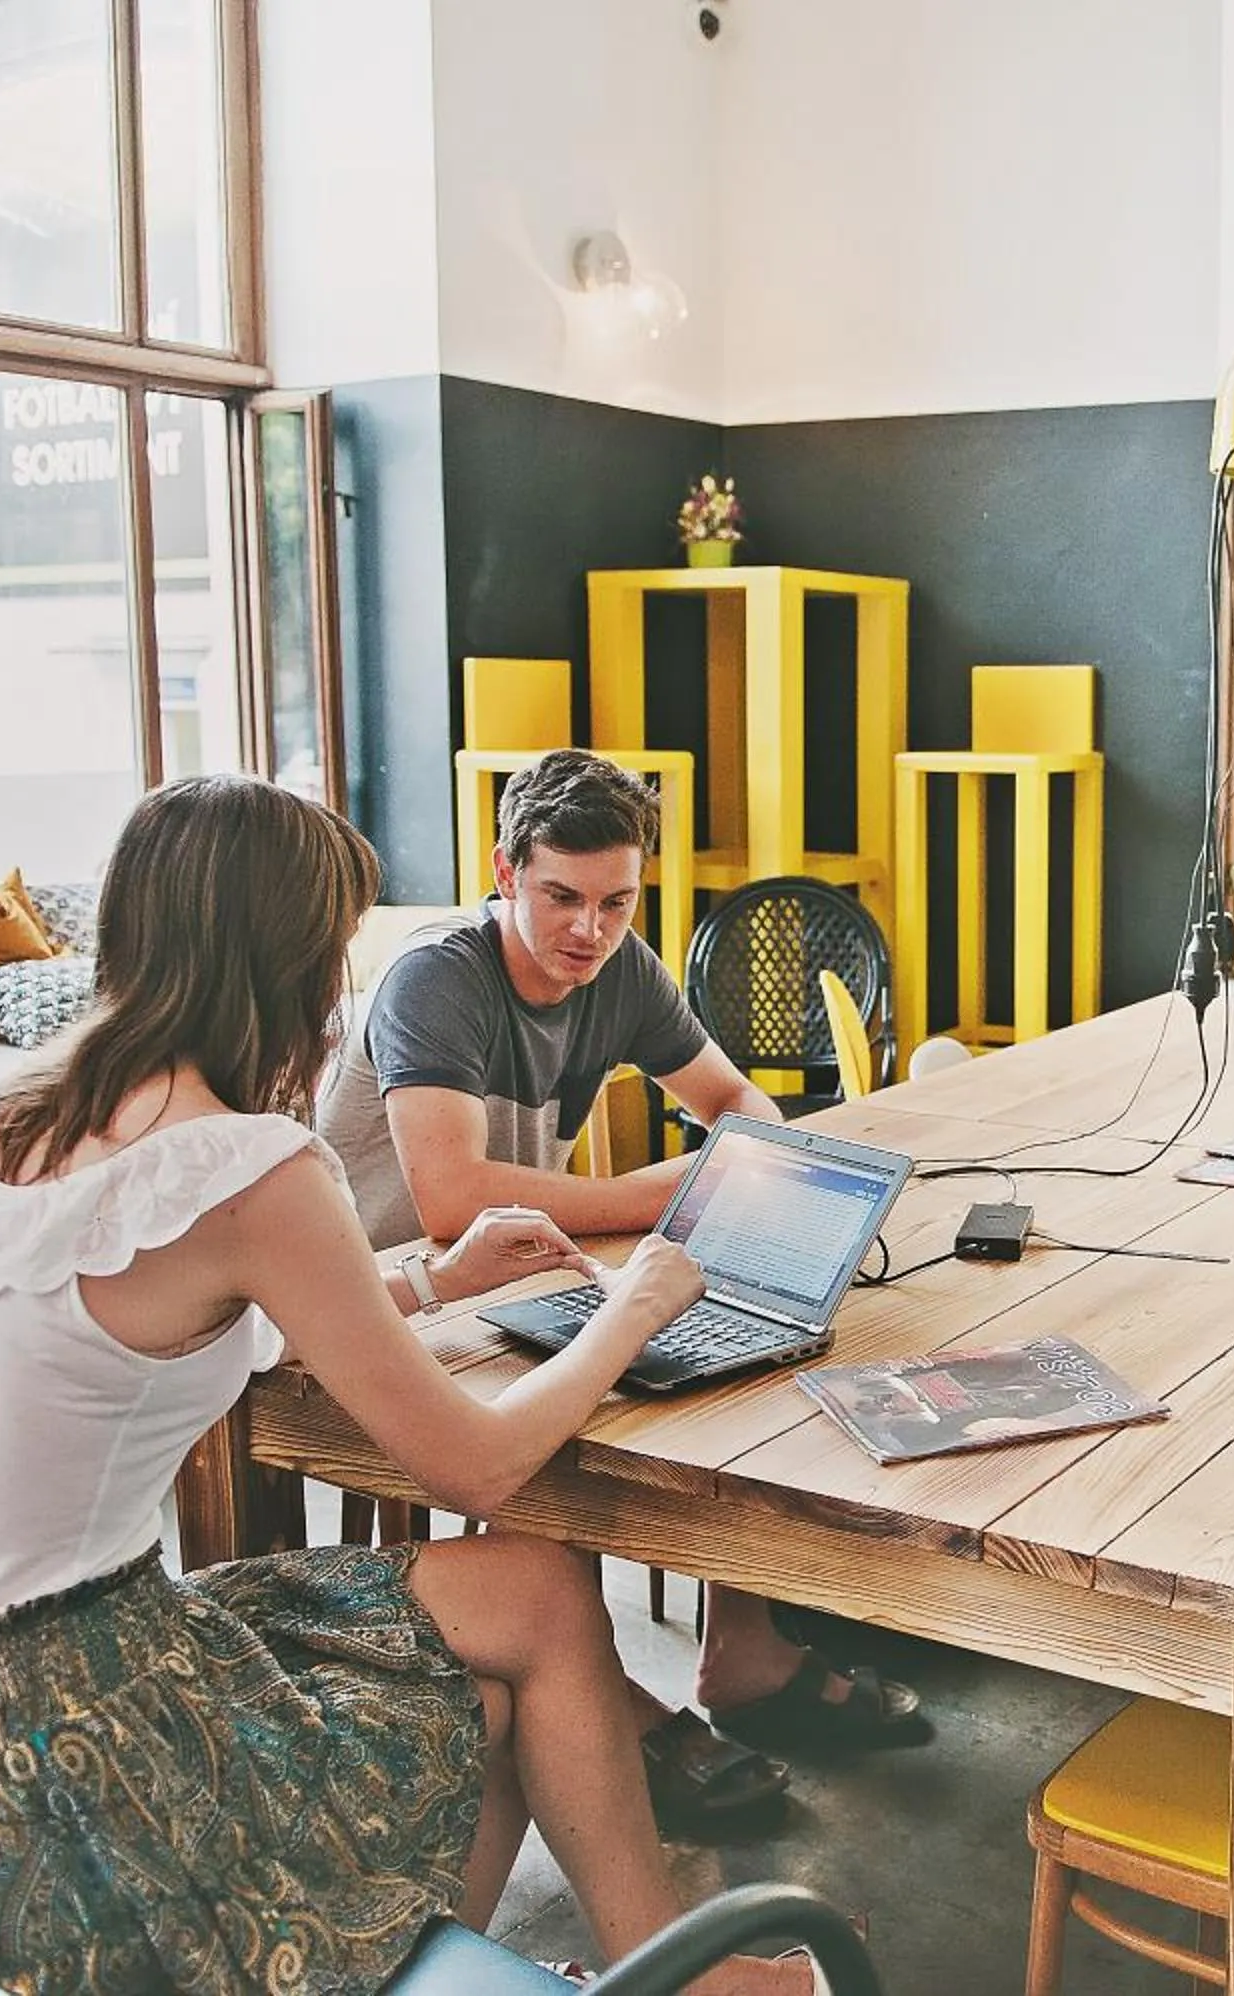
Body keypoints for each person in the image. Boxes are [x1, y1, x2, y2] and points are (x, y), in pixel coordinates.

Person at [0, 776, 809, 1995]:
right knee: (530, 1625)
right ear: (287, 957)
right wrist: (632, 1310)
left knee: (526, 1613)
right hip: (81, 1751)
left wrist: (427, 1280)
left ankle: (591, 1973)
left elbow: (172, 1322)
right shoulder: (245, 1161)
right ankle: (660, 1980)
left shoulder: (14, 1108)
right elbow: (480, 1465)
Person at [314, 748, 927, 1835]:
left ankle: (741, 1649)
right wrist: (667, 1189)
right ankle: (602, 1697)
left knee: (740, 1353)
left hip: (518, 1279)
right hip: (394, 1296)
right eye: (560, 896)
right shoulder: (437, 977)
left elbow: (734, 1102)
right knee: (621, 1373)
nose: (588, 930)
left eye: (615, 900)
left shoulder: (621, 968)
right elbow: (449, 1199)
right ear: (505, 870)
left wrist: (753, 1166)